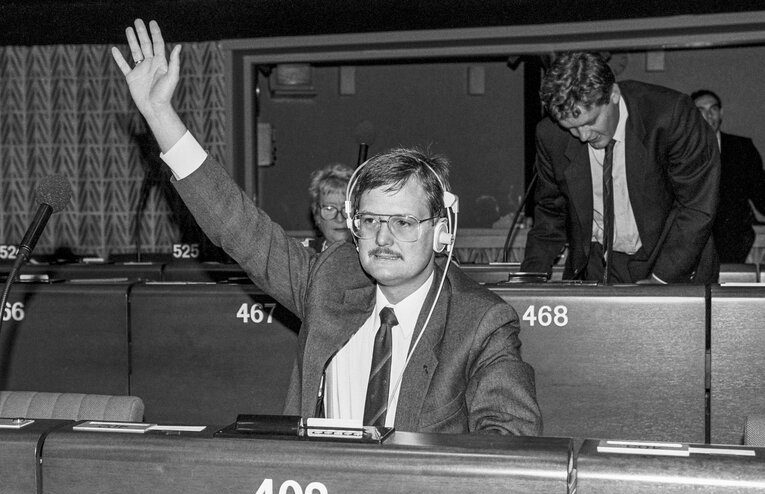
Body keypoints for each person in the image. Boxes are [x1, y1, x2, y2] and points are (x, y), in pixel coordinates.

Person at [112, 19, 541, 435]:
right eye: (370, 220)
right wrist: (159, 113)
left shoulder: (482, 321)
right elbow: (238, 227)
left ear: (441, 231)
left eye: (404, 222)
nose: (383, 237)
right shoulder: (331, 280)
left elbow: (509, 441)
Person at [521, 51, 720, 284]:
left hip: (672, 263)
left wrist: (660, 280)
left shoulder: (671, 115)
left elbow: (696, 206)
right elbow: (550, 215)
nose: (583, 136)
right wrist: (529, 280)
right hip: (597, 266)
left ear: (613, 94)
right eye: (571, 128)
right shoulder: (551, 135)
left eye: (590, 122)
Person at [691, 89, 765, 263]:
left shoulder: (742, 147)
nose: (708, 116)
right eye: (701, 110)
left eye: (713, 109)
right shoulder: (680, 150)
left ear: (721, 112)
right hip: (694, 237)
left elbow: (760, 191)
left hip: (736, 236)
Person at [301, 163, 354, 252]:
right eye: (329, 208)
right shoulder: (303, 255)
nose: (340, 218)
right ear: (317, 215)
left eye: (346, 208)